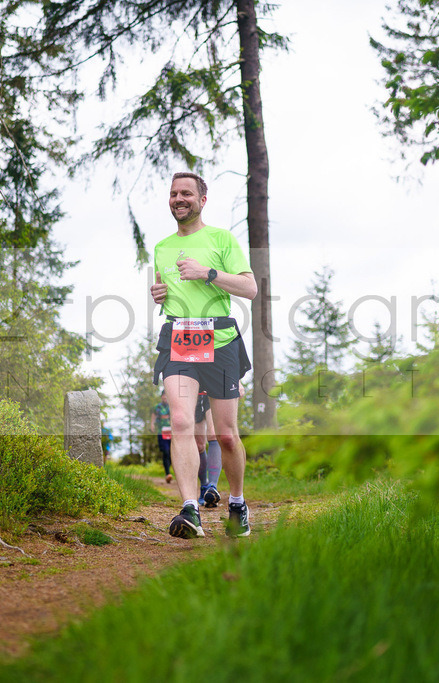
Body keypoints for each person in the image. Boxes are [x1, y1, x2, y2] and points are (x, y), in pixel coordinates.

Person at [150, 171, 256, 539]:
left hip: (221, 340)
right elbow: (169, 288)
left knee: (225, 435)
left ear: (202, 200)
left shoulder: (221, 238)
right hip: (178, 338)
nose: (179, 199)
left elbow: (250, 288)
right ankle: (190, 509)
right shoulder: (161, 247)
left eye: (187, 194)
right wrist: (159, 294)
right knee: (180, 421)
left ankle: (238, 504)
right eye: (173, 193)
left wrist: (207, 273)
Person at [194, 391, 222, 507]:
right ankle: (204, 485)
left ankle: (212, 487)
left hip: (212, 387)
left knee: (213, 434)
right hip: (194, 391)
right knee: (199, 445)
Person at [149, 390, 173, 483]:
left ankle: (170, 471)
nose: (165, 397)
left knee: (171, 453)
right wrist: (152, 425)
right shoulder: (157, 407)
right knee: (165, 452)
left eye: (166, 396)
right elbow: (153, 416)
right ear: (161, 397)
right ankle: (168, 473)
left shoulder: (172, 406)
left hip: (171, 432)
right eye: (163, 395)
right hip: (161, 432)